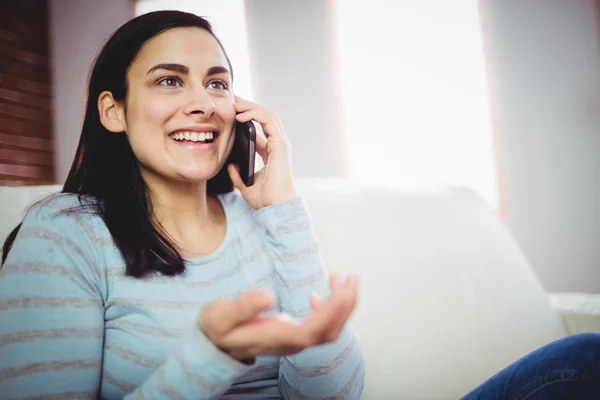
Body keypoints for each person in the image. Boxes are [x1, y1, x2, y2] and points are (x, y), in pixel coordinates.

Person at [0, 10, 364, 399]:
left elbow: (332, 394)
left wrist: (283, 209)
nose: (203, 103)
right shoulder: (65, 232)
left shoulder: (266, 220)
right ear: (113, 111)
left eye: (217, 83)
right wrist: (212, 357)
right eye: (170, 80)